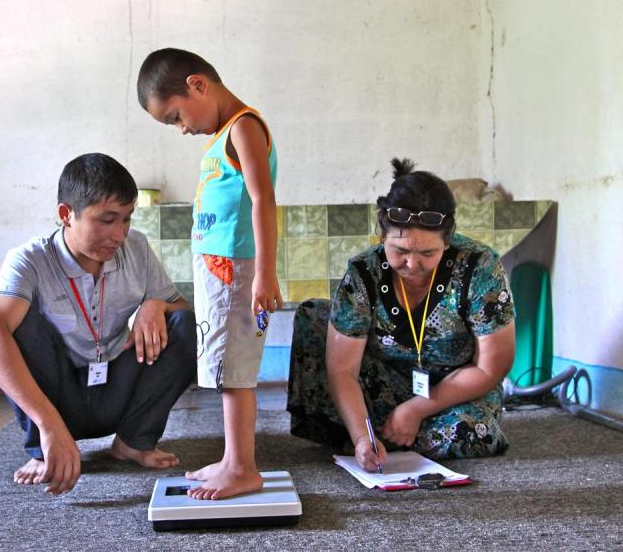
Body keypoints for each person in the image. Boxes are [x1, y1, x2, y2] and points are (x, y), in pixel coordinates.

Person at [0, 153, 196, 495]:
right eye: (107, 220)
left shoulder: (136, 248)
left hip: (116, 388)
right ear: (66, 215)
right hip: (60, 399)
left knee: (183, 321)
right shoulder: (29, 259)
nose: (119, 234)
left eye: (127, 219)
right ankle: (43, 448)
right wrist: (48, 425)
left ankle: (133, 441)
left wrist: (156, 304)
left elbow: (180, 309)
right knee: (19, 325)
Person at [287, 158, 515, 471]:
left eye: (427, 253)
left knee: (471, 431)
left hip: (455, 392)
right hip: (384, 384)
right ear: (383, 234)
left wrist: (419, 408)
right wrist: (360, 435)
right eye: (400, 251)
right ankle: (370, 438)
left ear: (447, 241)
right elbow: (343, 371)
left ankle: (390, 435)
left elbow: (492, 366)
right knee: (314, 316)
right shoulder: (364, 272)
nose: (411, 264)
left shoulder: (480, 267)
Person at [138, 48, 280, 500]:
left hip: (237, 272)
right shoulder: (221, 137)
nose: (181, 128)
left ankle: (243, 467)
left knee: (233, 371)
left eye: (176, 116)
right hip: (218, 273)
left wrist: (265, 274)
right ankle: (231, 457)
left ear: (198, 85)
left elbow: (263, 200)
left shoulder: (243, 127)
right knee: (223, 369)